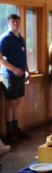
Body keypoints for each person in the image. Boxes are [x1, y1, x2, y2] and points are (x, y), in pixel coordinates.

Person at [0, 14, 30, 142]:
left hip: (21, 75)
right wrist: (14, 69)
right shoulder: (5, 38)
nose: (16, 24)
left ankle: (16, 128)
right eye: (13, 22)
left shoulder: (20, 38)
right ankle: (9, 132)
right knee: (10, 103)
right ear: (9, 23)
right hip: (8, 75)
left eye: (17, 21)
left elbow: (24, 57)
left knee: (17, 102)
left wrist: (27, 71)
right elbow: (0, 59)